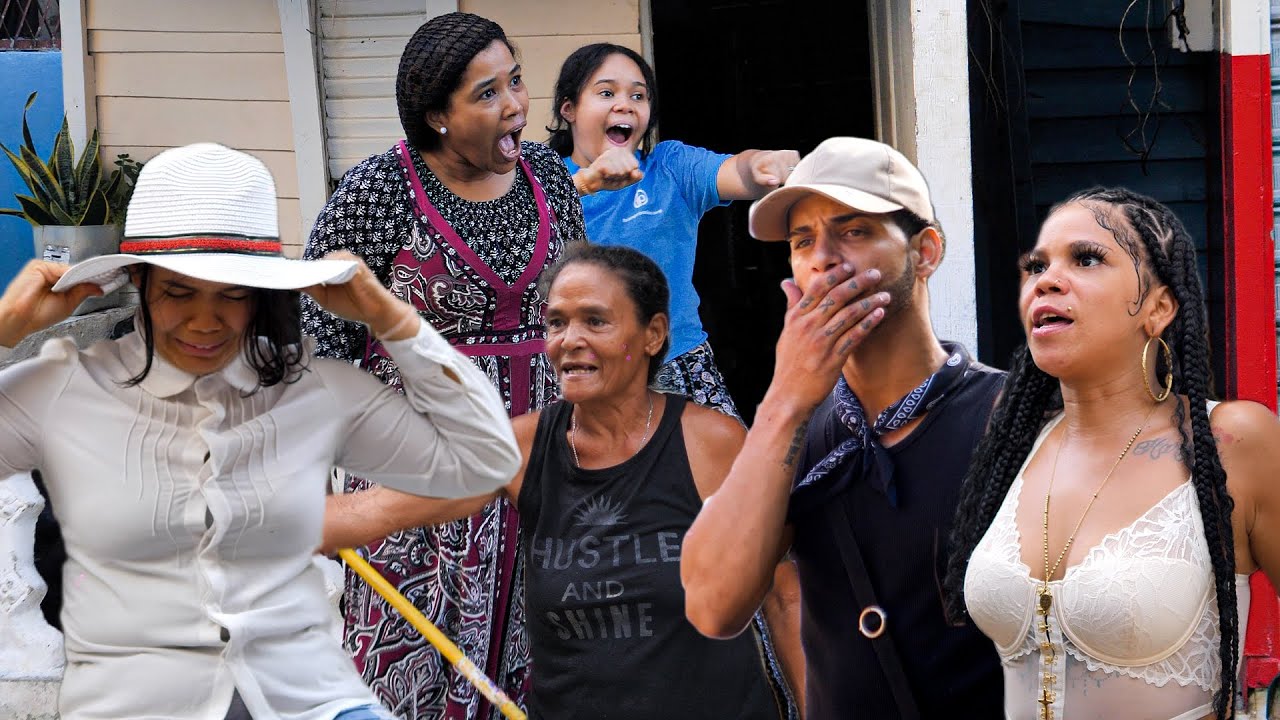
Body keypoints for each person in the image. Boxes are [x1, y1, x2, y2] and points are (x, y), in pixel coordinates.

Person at [0, 142, 519, 720]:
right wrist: (3, 330)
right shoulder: (71, 388)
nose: (205, 321)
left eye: (233, 293)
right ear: (138, 284)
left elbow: (483, 461)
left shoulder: (306, 386)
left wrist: (392, 320)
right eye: (178, 292)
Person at [324, 244, 801, 719]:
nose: (568, 340)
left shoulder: (711, 444)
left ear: (653, 334)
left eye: (595, 321)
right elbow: (374, 511)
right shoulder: (521, 449)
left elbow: (783, 595)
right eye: (556, 322)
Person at [300, 12, 586, 718]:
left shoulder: (549, 175)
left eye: (515, 80)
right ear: (437, 116)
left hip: (538, 459)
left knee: (543, 655)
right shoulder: (376, 192)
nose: (515, 104)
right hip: (417, 476)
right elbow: (319, 343)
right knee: (415, 663)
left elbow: (578, 304)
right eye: (487, 94)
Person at [680, 137, 1006, 719]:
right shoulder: (792, 433)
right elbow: (713, 606)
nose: (823, 258)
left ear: (925, 252)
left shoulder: (1005, 415)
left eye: (853, 231)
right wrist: (785, 398)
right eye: (802, 241)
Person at [944, 188, 1280, 720]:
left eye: (1086, 259)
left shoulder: (1232, 442)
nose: (1046, 280)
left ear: (1158, 308)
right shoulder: (1016, 443)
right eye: (1037, 266)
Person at [546, 42, 799, 417]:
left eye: (638, 95)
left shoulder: (670, 167)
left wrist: (761, 164)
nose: (625, 104)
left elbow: (734, 171)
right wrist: (584, 184)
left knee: (727, 455)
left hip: (678, 363)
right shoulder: (543, 184)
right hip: (586, 371)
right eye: (607, 93)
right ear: (569, 109)